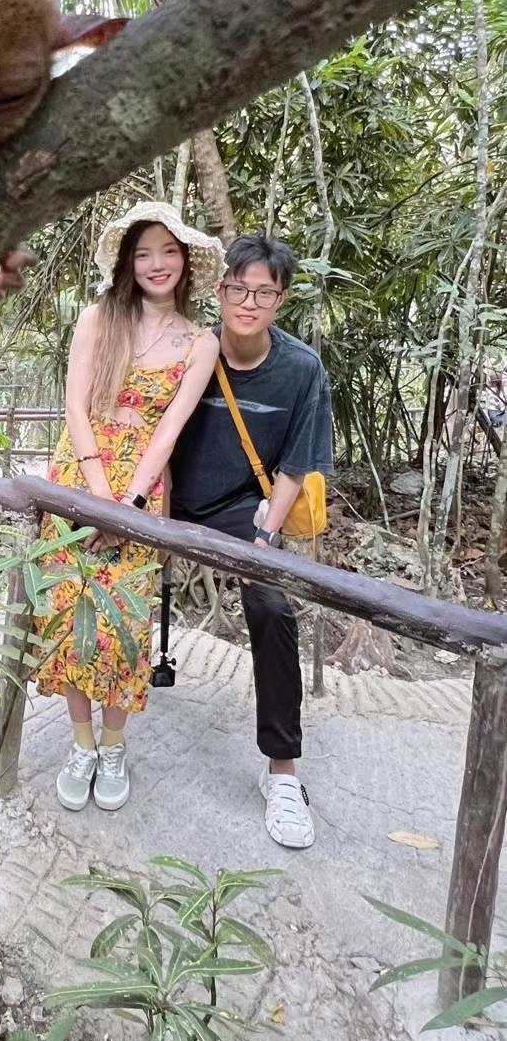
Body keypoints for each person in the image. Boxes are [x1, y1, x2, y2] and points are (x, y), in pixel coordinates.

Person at [34, 202, 224, 812]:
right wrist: (95, 495)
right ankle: (82, 743)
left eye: (168, 252)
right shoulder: (98, 318)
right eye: (143, 253)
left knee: (123, 623)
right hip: (78, 475)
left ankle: (114, 746)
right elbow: (73, 406)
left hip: (144, 487)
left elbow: (169, 429)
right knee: (69, 613)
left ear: (187, 261)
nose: (156, 264)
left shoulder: (201, 342)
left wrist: (132, 504)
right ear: (126, 261)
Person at [170, 232, 333, 850]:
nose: (248, 301)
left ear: (280, 300)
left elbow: (296, 465)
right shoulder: (189, 349)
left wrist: (265, 532)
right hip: (169, 499)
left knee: (271, 605)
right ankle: (102, 740)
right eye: (238, 288)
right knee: (109, 574)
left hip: (244, 507)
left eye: (263, 292)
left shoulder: (300, 369)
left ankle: (283, 774)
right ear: (219, 291)